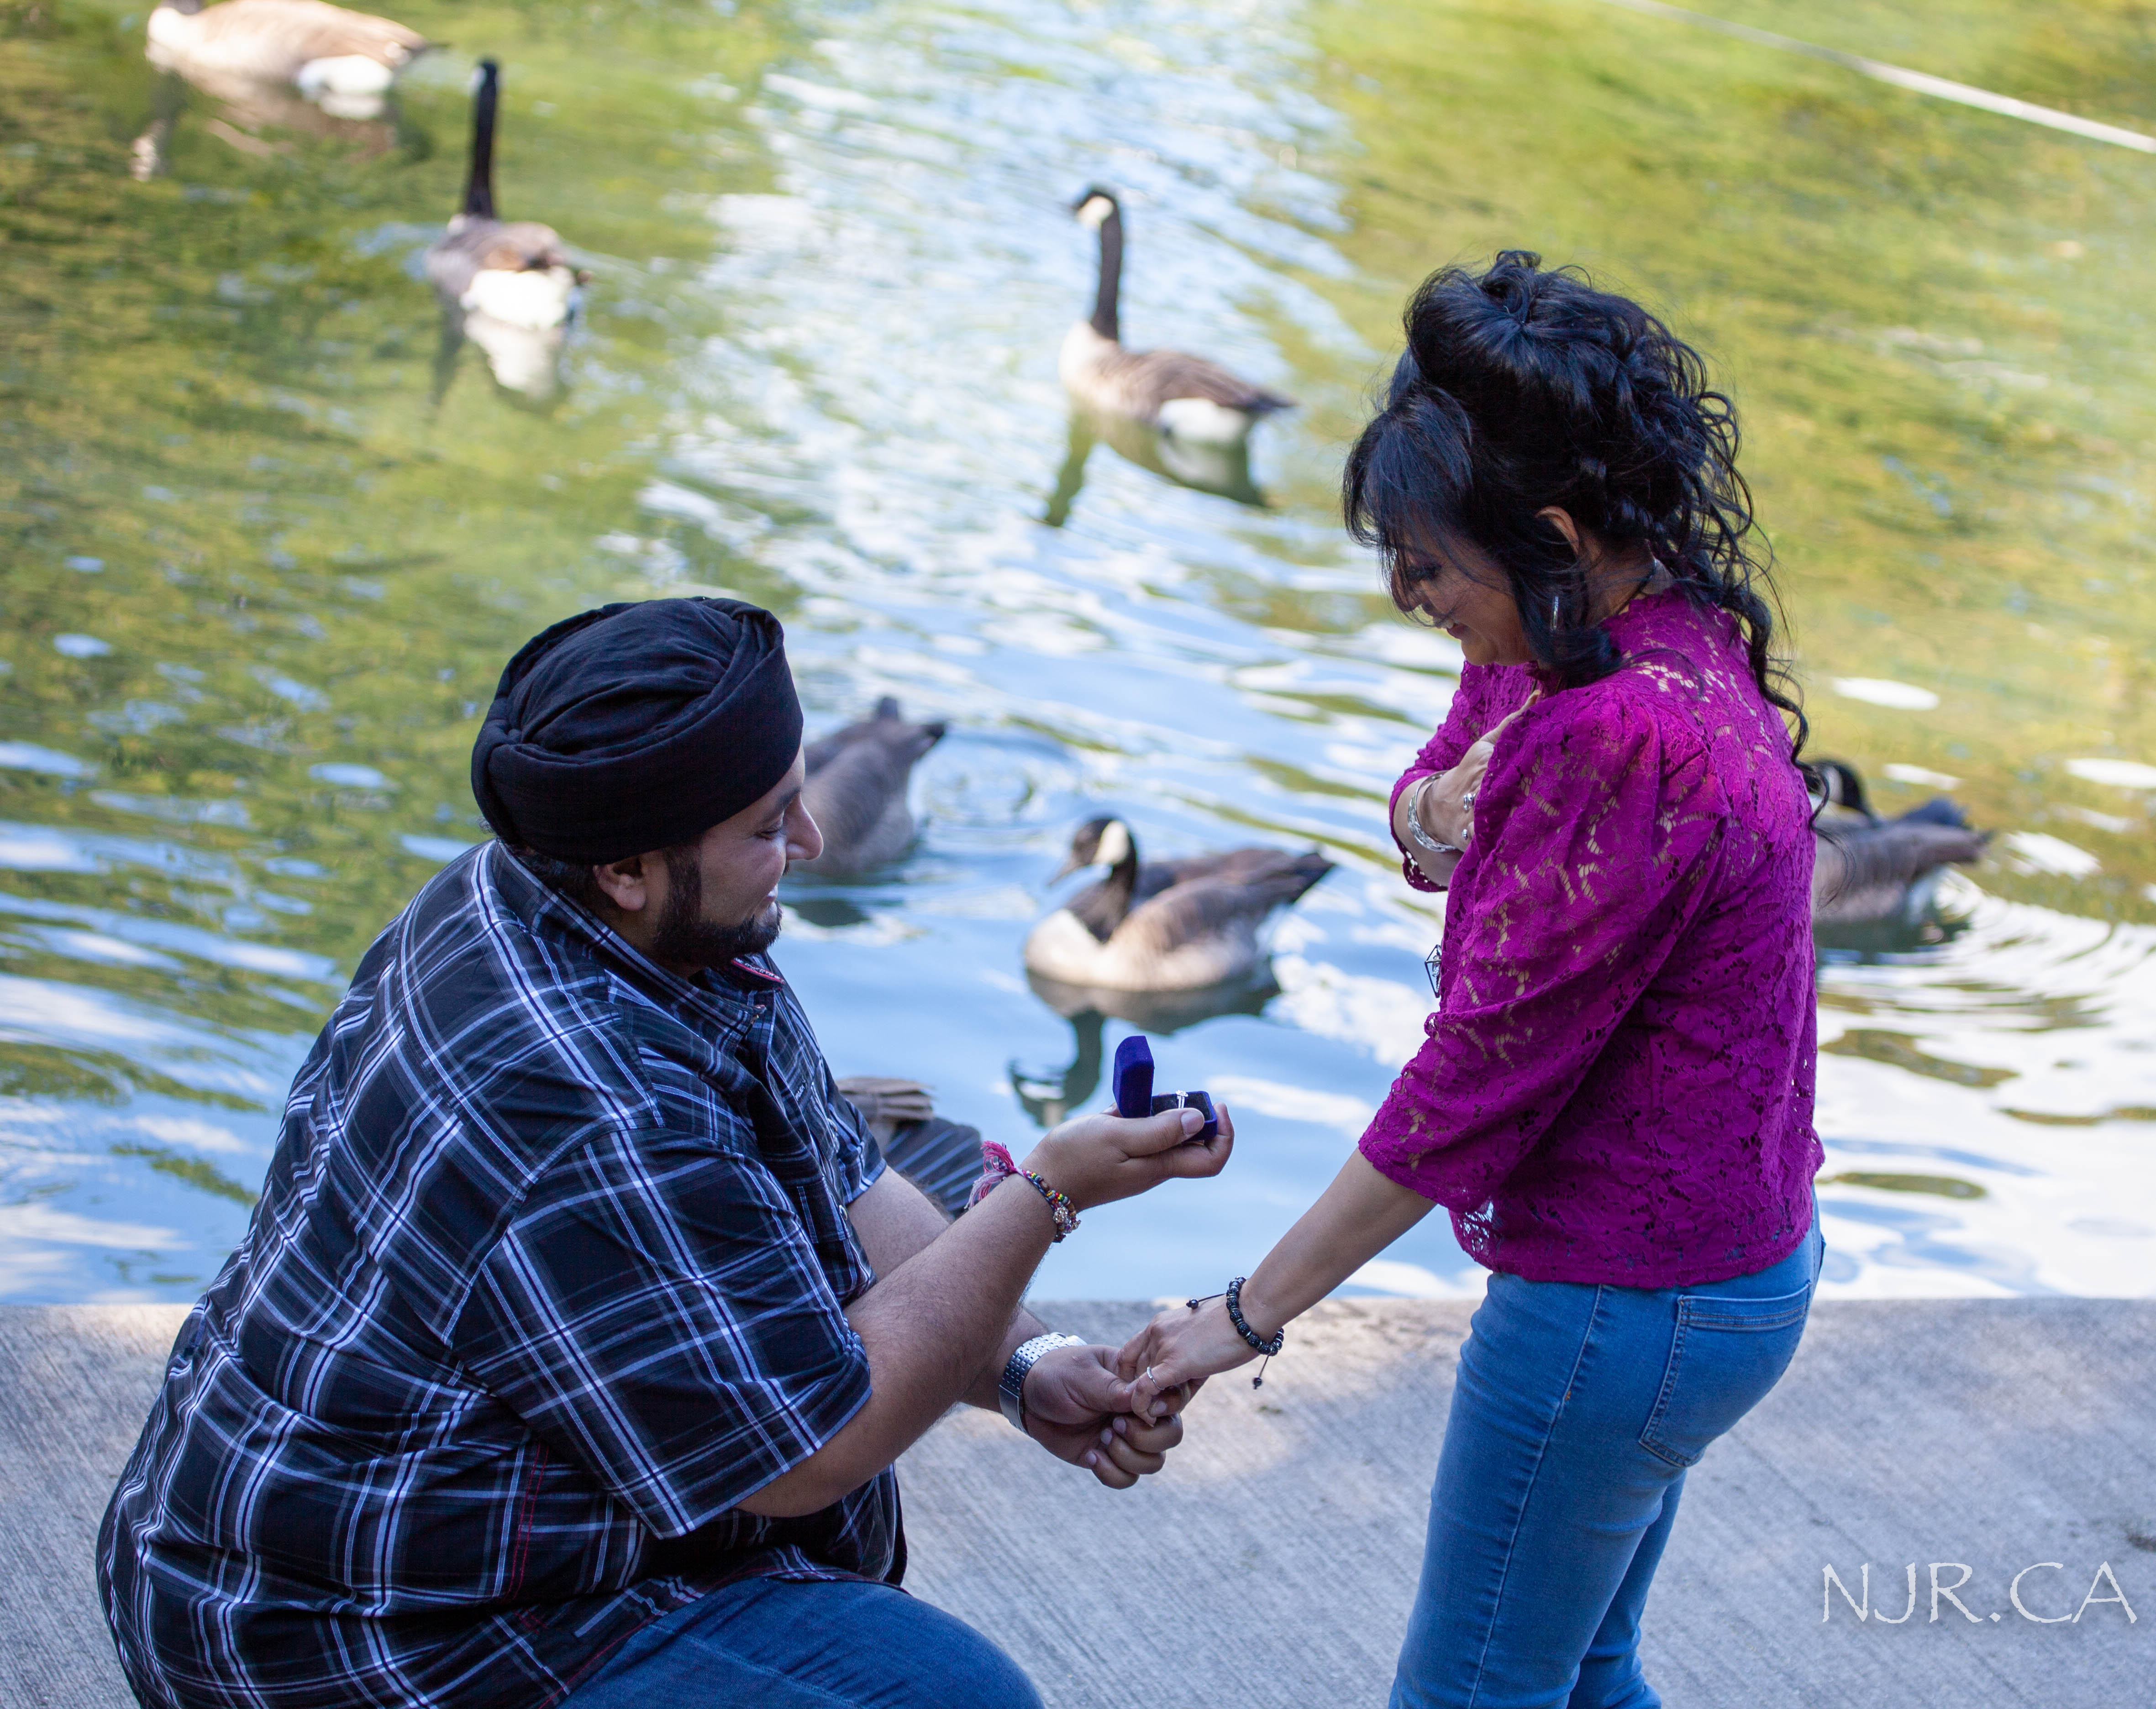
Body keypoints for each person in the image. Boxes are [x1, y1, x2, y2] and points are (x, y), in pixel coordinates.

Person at [98, 597, 1233, 1709]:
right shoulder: (577, 1096)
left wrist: (1027, 1368)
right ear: (629, 869)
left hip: (456, 1549)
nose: (810, 842)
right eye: (768, 826)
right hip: (353, 1636)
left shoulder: (601, 910)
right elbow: (811, 1445)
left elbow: (848, 1178)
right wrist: (1045, 1197)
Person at [1118, 253, 1825, 1709]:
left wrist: (1240, 1318)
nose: (1408, 594)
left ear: (1548, 533)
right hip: (1729, 1271)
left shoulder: (1616, 737)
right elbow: (1439, 782)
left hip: (1623, 1306)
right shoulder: (1619, 628)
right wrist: (1431, 815)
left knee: (1472, 1690)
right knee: (1583, 1674)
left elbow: (1470, 1089)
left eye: (1429, 564)